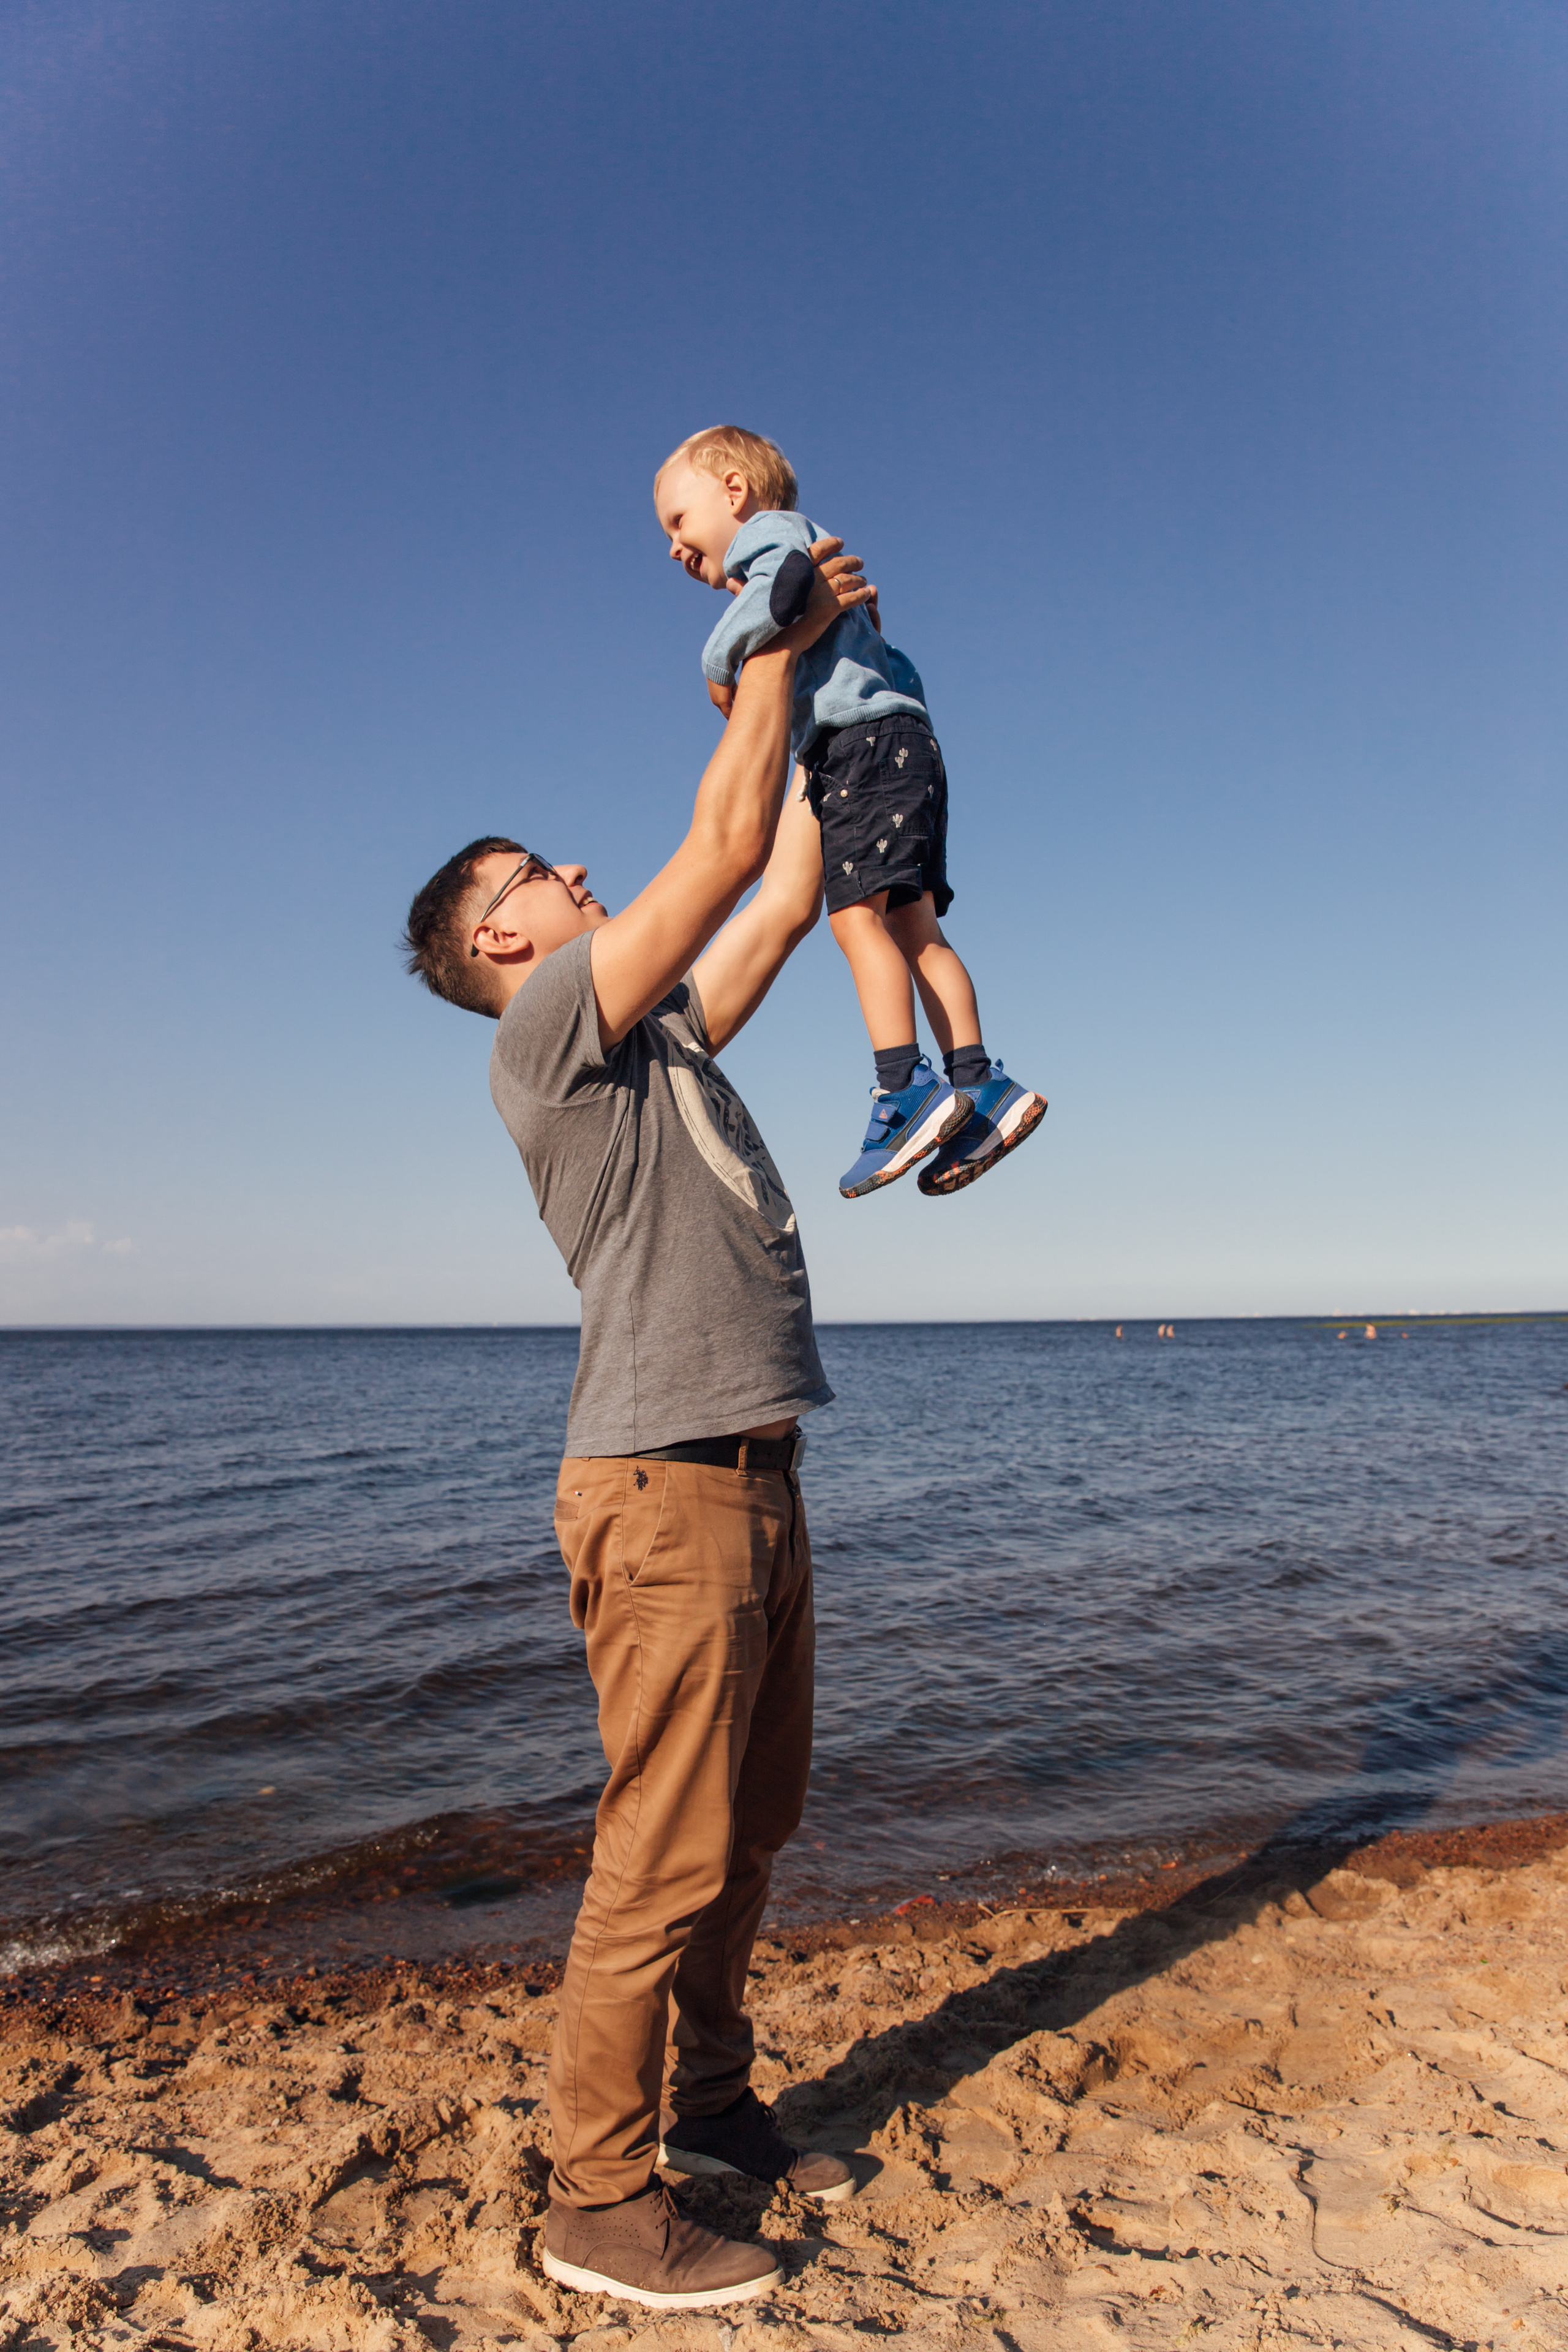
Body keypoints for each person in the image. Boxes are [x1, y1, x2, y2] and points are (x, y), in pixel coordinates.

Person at [401, 543, 870, 2313]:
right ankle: (596, 2202)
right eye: (538, 873)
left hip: (757, 1476)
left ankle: (714, 2106)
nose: (576, 873)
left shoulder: (656, 1037)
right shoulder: (547, 1032)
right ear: (496, 940)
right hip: (663, 1489)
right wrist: (770, 643)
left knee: (747, 1836)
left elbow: (778, 890)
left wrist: (840, 701)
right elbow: (719, 847)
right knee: (658, 1856)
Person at [654, 424, 1047, 1200]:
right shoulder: (797, 557)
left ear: (734, 491)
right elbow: (874, 649)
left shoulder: (767, 538)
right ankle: (979, 1088)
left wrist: (716, 663)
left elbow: (784, 589)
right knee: (915, 929)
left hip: (861, 748)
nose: (672, 547)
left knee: (855, 921)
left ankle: (903, 1087)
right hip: (903, 742)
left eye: (677, 520)